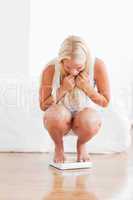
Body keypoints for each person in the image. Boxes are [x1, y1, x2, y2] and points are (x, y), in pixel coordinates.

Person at [39, 35, 111, 163]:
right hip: (60, 117)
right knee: (55, 115)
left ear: (86, 61)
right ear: (61, 61)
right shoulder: (51, 68)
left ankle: (81, 145)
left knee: (90, 121)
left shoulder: (97, 65)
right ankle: (59, 147)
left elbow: (105, 102)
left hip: (84, 116)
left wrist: (87, 88)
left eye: (78, 68)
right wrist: (63, 89)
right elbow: (43, 106)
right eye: (67, 67)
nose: (73, 72)